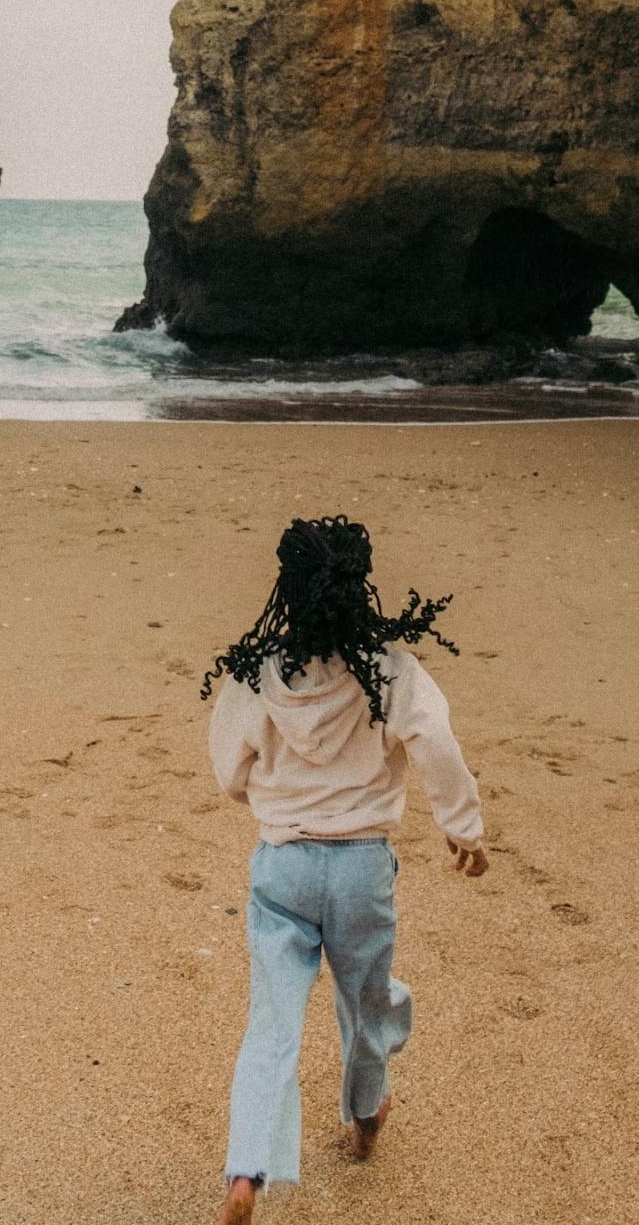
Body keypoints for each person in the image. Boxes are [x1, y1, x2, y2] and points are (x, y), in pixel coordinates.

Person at [203, 515, 487, 1219]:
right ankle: (365, 1118)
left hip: (283, 864)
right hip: (361, 864)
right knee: (365, 1004)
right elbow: (436, 743)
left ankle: (246, 1171)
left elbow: (227, 768)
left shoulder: (259, 671)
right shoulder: (389, 667)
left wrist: (266, 798)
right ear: (359, 585)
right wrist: (462, 828)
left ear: (287, 589)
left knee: (272, 1021)